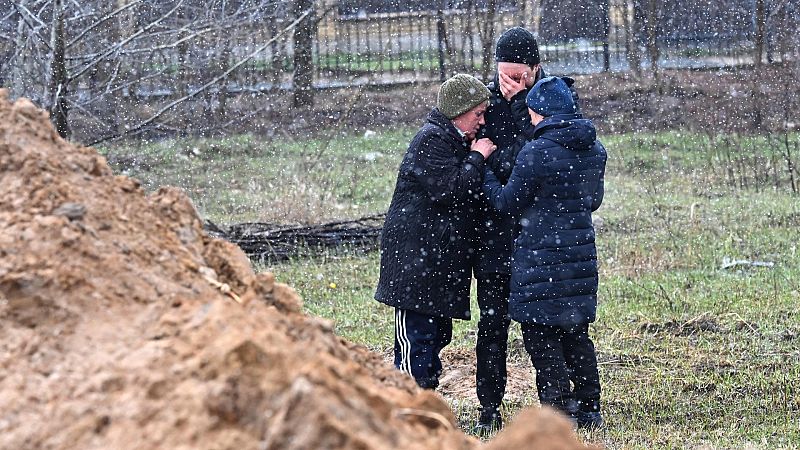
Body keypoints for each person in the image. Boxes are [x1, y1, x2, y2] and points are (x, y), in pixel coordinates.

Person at [481, 76, 607, 429]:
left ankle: (557, 410)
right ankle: (590, 409)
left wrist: (487, 172)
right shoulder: (595, 149)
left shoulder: (536, 153)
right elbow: (592, 200)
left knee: (542, 337)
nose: (531, 121)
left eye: (533, 115)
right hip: (579, 259)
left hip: (540, 259)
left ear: (541, 113)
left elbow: (507, 203)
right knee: (577, 335)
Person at [472, 26, 572, 433]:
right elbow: (481, 161)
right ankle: (489, 408)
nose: (510, 82)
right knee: (492, 325)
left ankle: (557, 409)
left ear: (536, 68)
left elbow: (541, 158)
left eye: (519, 75)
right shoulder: (484, 102)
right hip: (495, 233)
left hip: (541, 238)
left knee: (546, 325)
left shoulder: (553, 99)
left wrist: (518, 113)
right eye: (504, 74)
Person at [375, 74, 496, 390]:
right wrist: (477, 157)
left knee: (436, 334)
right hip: (415, 264)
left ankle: (423, 398)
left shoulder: (451, 139)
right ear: (459, 110)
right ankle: (410, 403)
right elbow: (452, 191)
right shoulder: (431, 140)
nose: (482, 122)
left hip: (434, 263)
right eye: (477, 114)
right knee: (417, 339)